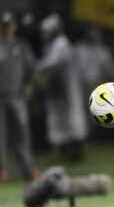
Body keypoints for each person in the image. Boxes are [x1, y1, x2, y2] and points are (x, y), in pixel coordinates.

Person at [35, 13, 88, 163]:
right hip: (57, 90)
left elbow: (53, 62)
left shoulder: (61, 43)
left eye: (47, 31)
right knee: (60, 123)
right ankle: (66, 154)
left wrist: (35, 67)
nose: (44, 34)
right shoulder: (50, 44)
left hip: (68, 89)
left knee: (72, 122)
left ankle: (75, 153)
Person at [0, 12, 40, 181]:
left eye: (10, 26)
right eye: (4, 26)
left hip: (16, 95)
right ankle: (2, 169)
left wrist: (28, 85)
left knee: (22, 133)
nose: (7, 29)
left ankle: (28, 168)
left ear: (14, 27)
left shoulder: (21, 46)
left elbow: (32, 67)